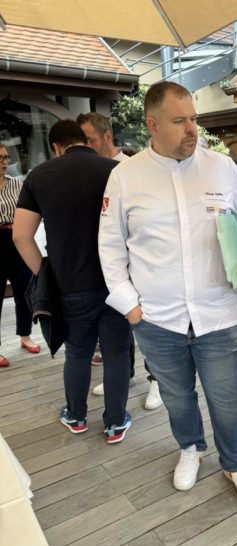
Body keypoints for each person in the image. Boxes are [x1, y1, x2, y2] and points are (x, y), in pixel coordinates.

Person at [98, 80, 237, 502]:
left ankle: (235, 462)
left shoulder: (221, 167)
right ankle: (191, 448)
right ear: (152, 124)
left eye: (194, 119)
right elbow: (109, 247)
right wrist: (131, 307)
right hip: (157, 318)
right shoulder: (124, 177)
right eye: (180, 121)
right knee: (177, 396)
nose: (192, 129)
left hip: (217, 312)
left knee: (227, 398)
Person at [13, 120, 132, 443]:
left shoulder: (39, 176)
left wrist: (44, 274)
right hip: (117, 282)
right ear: (86, 141)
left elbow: (21, 235)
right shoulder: (116, 171)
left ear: (55, 146)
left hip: (69, 284)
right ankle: (115, 423)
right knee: (117, 353)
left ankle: (77, 416)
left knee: (78, 352)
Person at [77, 112, 162, 410]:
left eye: (90, 140)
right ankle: (123, 374)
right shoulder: (87, 171)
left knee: (147, 325)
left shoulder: (132, 170)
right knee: (117, 326)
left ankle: (157, 381)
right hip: (107, 264)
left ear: (107, 137)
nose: (85, 146)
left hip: (140, 265)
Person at [0, 143, 40, 367]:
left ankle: (25, 335)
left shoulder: (17, 184)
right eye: (0, 158)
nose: (4, 162)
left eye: (6, 158)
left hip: (15, 238)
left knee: (24, 291)